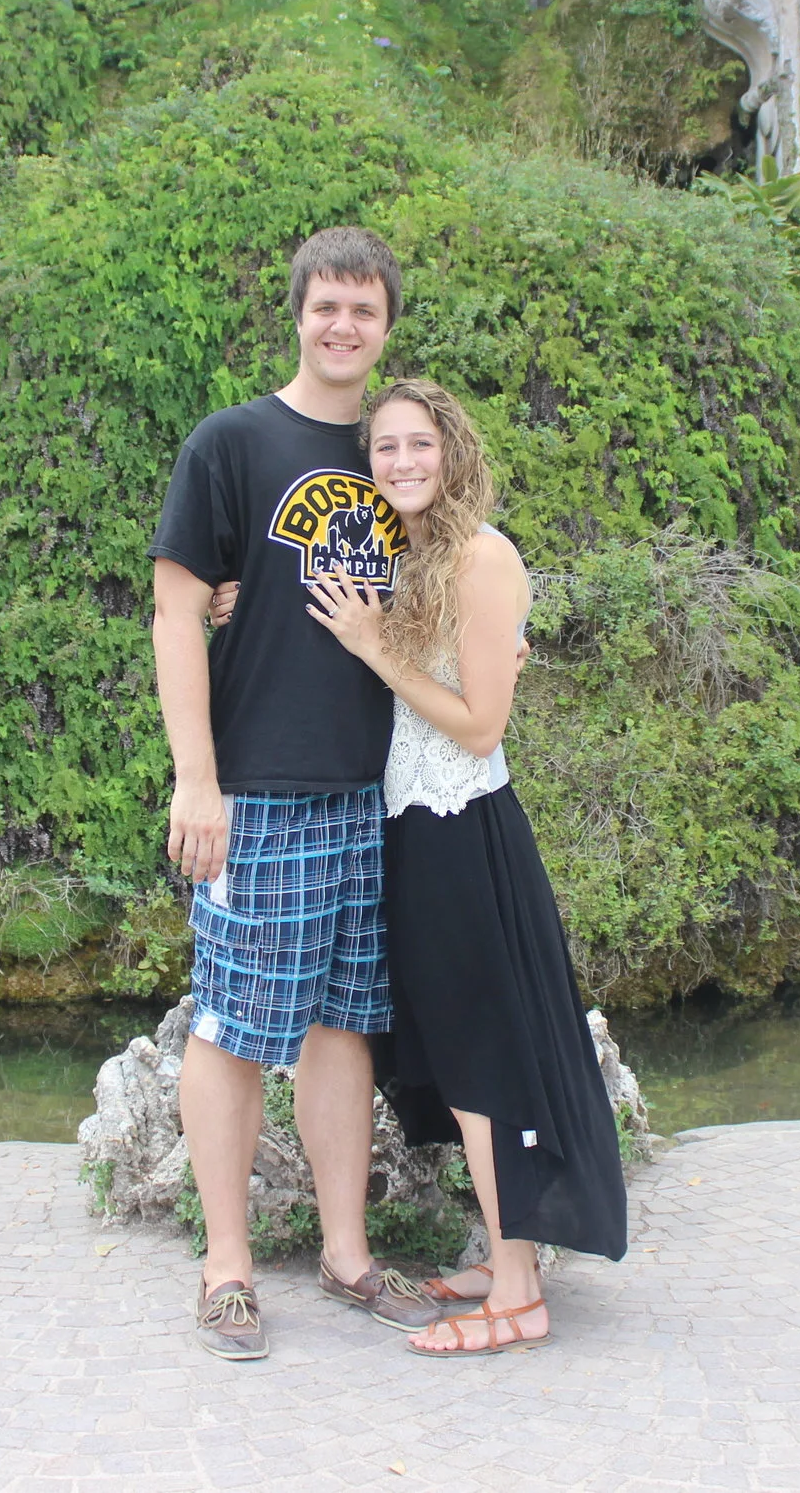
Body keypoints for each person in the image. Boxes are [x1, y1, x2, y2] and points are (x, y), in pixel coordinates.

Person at [146, 227, 442, 1361]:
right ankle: (226, 1266)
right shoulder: (231, 443)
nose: (342, 326)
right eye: (326, 306)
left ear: (384, 324)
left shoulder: (400, 456)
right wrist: (196, 776)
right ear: (298, 313)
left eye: (363, 310)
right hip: (257, 788)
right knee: (228, 1027)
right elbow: (177, 611)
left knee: (343, 1024)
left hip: (379, 791)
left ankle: (346, 1253)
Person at [304, 378, 630, 1356]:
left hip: (464, 825)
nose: (401, 463)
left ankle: (518, 1294)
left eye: (418, 445)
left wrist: (376, 650)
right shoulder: (406, 556)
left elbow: (481, 723)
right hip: (411, 828)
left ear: (450, 450)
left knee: (486, 1056)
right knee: (454, 1055)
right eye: (385, 449)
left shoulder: (484, 556)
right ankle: (507, 1250)